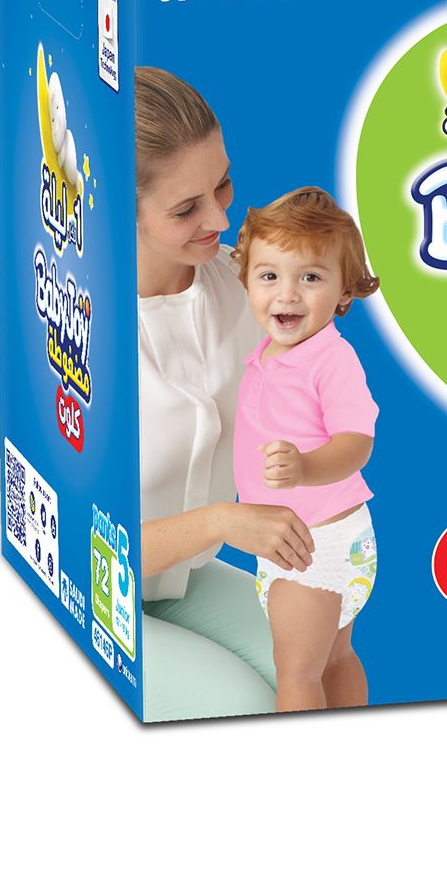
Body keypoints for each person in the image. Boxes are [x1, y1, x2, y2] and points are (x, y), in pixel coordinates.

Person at [135, 66, 316, 721]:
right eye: (186, 209)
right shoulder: (80, 328)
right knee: (242, 706)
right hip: (94, 582)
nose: (220, 216)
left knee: (314, 663)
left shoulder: (244, 285)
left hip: (183, 575)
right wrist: (221, 521)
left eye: (223, 183)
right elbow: (76, 532)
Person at [230, 188, 380, 712]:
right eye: (269, 276)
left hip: (313, 543)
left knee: (296, 672)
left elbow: (357, 442)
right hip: (308, 538)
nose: (287, 294)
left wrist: (305, 467)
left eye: (311, 278)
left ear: (344, 291)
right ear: (246, 279)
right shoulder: (268, 353)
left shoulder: (331, 359)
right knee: (334, 658)